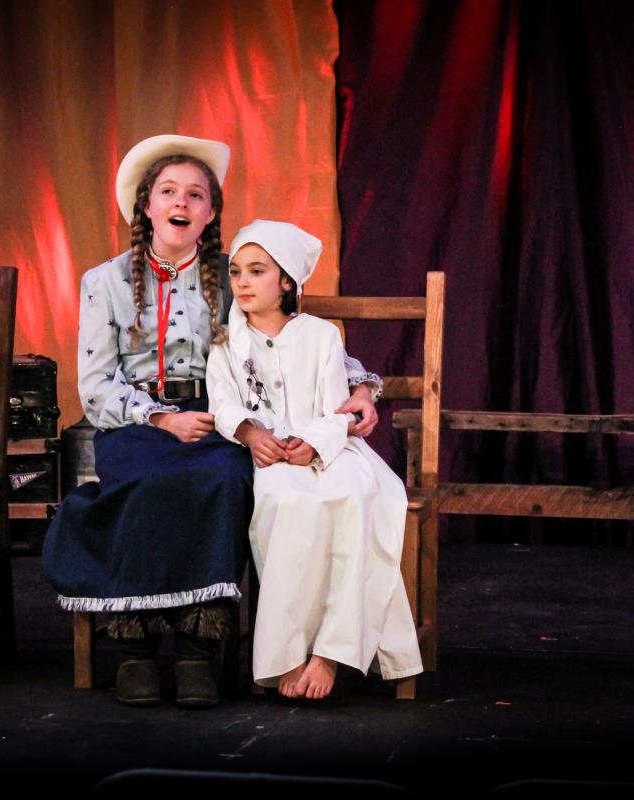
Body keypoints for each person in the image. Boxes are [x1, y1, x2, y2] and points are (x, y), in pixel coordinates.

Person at [41, 135, 383, 708]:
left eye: (196, 195)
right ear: (146, 206)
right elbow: (95, 387)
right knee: (144, 480)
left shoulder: (234, 275)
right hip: (137, 423)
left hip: (222, 417)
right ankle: (137, 648)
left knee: (224, 478)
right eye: (168, 191)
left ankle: (200, 649)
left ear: (210, 213)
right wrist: (157, 417)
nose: (182, 202)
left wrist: (362, 384)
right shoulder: (104, 282)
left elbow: (291, 337)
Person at [207, 219, 423, 699]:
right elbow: (223, 404)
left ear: (286, 281)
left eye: (257, 271)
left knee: (356, 498)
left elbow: (335, 408)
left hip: (331, 447)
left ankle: (330, 653)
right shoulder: (224, 343)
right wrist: (251, 433)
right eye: (236, 271)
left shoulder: (321, 335)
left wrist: (313, 442)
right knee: (286, 505)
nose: (242, 282)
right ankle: (286, 655)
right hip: (270, 458)